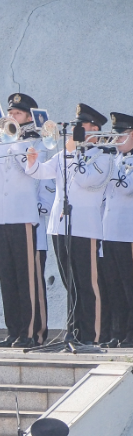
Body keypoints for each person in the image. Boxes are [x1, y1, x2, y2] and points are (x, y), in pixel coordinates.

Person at [26, 104, 110, 345]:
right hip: (59, 226)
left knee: (87, 284)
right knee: (69, 283)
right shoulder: (64, 155)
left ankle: (91, 336)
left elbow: (84, 180)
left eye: (81, 127)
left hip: (85, 227)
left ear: (94, 129)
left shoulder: (102, 157)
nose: (76, 131)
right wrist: (32, 162)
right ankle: (73, 333)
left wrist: (72, 154)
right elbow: (40, 173)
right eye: (76, 126)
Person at [0, 93, 50, 347]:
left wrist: (15, 141)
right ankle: (14, 330)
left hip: (23, 215)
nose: (11, 117)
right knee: (7, 275)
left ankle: (31, 332)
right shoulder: (0, 142)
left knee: (27, 276)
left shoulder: (37, 142)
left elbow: (30, 168)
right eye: (10, 114)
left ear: (29, 117)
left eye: (17, 114)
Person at [99, 112, 133, 347]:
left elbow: (125, 188)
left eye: (120, 135)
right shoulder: (116, 161)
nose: (116, 140)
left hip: (127, 233)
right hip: (108, 231)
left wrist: (109, 165)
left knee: (129, 285)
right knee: (112, 285)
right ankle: (117, 332)